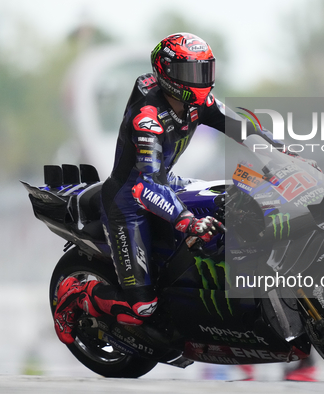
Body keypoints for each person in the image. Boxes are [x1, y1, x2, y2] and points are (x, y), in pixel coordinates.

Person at [53, 32, 279, 344]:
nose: (200, 82)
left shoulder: (200, 103)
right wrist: (187, 220)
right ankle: (80, 296)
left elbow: (241, 127)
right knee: (143, 308)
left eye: (205, 72)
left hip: (166, 182)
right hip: (128, 202)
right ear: (168, 73)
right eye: (191, 74)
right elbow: (145, 186)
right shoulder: (148, 120)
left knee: (231, 200)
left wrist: (283, 153)